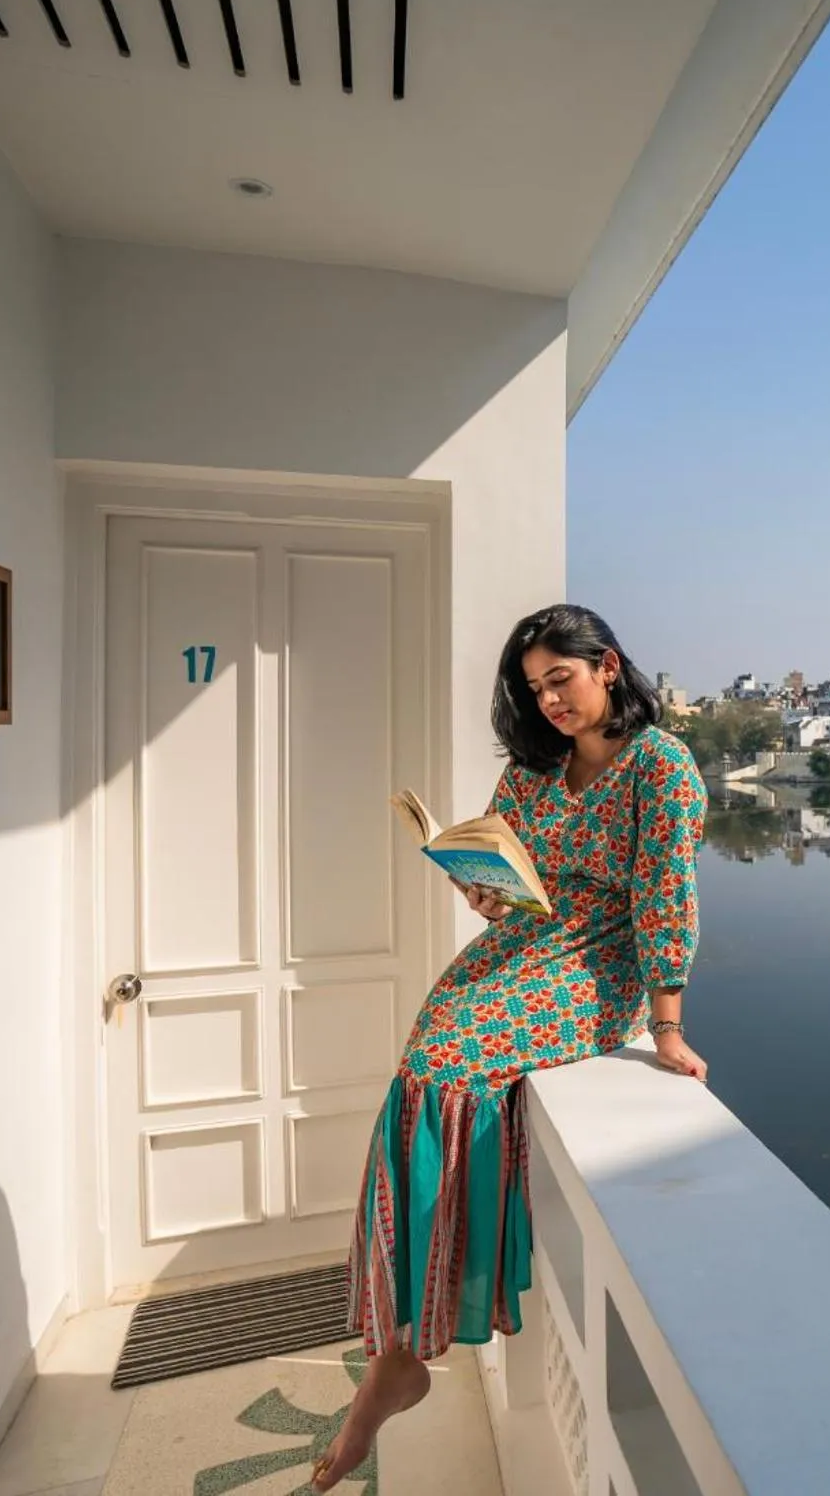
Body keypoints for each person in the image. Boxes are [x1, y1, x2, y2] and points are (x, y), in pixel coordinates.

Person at [314, 604, 708, 1490]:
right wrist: (482, 889)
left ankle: (408, 1349)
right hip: (524, 946)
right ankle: (401, 1343)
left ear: (607, 666)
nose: (550, 701)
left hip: (598, 961)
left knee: (453, 1062)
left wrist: (667, 1027)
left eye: (560, 679)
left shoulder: (661, 766)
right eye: (535, 689)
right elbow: (506, 866)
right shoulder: (533, 767)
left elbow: (665, 898)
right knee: (427, 1057)